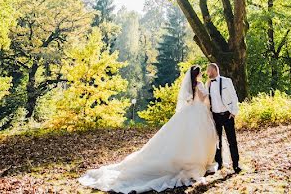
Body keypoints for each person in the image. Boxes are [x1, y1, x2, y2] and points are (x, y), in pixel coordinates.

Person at [78, 65, 217, 192]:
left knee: (184, 138)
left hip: (190, 111)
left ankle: (187, 159)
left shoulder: (191, 85)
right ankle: (194, 162)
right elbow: (203, 98)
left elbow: (189, 99)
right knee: (196, 138)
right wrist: (210, 93)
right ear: (197, 75)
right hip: (198, 112)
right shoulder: (199, 85)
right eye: (200, 73)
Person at [206, 62, 240, 173]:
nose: (207, 73)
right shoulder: (208, 84)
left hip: (227, 115)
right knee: (217, 141)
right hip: (215, 116)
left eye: (208, 70)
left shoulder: (226, 81)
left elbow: (234, 97)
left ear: (214, 70)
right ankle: (219, 163)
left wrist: (234, 112)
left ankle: (236, 164)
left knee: (232, 141)